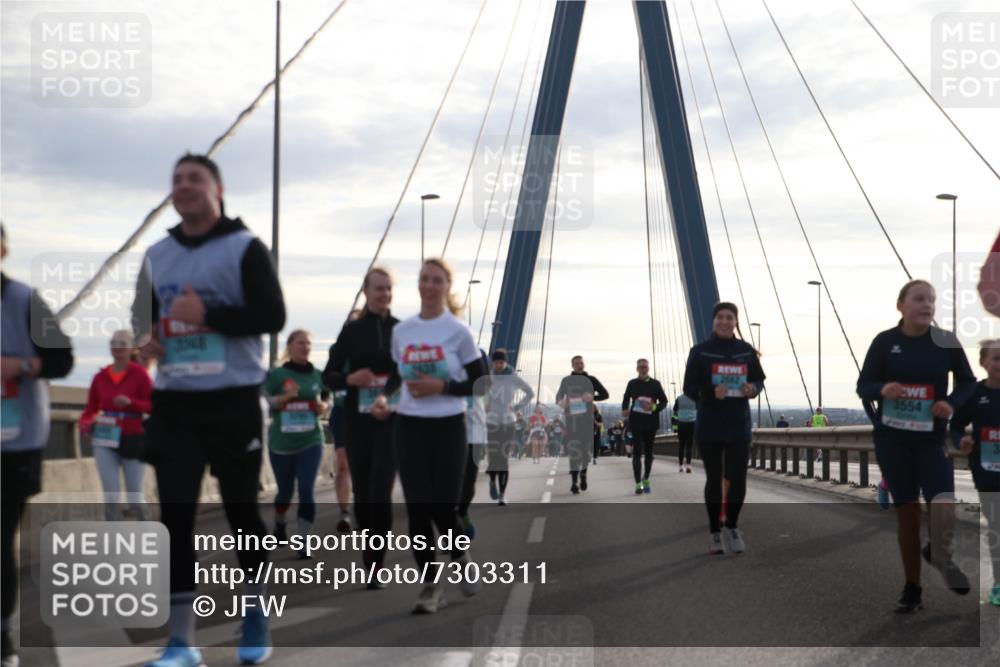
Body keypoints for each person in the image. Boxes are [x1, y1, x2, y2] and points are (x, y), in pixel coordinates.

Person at [133, 154, 286, 666]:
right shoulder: (156, 254)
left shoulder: (245, 247)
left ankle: (255, 617)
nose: (184, 185)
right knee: (175, 517)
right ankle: (182, 642)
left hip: (233, 399)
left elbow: (273, 315)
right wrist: (149, 341)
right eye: (176, 179)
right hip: (175, 401)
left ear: (218, 190)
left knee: (242, 511)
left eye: (194, 178)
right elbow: (147, 324)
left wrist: (210, 313)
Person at [370, 258, 487, 614]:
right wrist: (384, 397)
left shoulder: (458, 332)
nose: (430, 285)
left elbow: (480, 383)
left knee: (443, 507)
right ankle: (431, 585)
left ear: (447, 287)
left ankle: (459, 556)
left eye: (437, 280)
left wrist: (443, 386)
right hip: (409, 426)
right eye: (424, 279)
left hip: (449, 426)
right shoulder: (403, 331)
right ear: (418, 284)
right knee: (418, 509)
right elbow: (397, 373)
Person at [856, 279, 976, 613]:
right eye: (919, 299)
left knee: (944, 502)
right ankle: (912, 587)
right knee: (907, 514)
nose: (927, 305)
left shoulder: (945, 342)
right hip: (893, 441)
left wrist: (951, 403)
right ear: (901, 305)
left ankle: (939, 553)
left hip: (930, 439)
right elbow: (863, 385)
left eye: (931, 300)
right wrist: (882, 389)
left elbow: (967, 381)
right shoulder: (884, 342)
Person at [1, 223, 74, 667]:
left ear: (3, 249)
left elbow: (62, 359)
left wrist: (21, 365)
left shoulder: (25, 301)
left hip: (14, 445)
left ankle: (3, 640)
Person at [322, 267, 399, 585]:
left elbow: (406, 373)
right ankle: (368, 539)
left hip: (390, 420)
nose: (384, 294)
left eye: (389, 288)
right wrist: (350, 379)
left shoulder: (401, 330)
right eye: (379, 288)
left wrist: (386, 394)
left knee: (382, 491)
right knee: (364, 495)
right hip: (358, 421)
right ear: (366, 292)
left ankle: (376, 564)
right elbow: (328, 375)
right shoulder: (352, 331)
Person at [682, 302, 764, 556]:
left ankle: (732, 526)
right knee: (714, 479)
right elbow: (689, 387)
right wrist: (709, 393)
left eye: (729, 317)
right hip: (710, 424)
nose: (725, 321)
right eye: (720, 317)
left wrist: (753, 389)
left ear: (736, 322)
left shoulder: (746, 351)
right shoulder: (700, 351)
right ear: (713, 321)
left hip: (739, 424)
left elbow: (759, 379)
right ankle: (715, 532)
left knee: (738, 479)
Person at [263, 330, 328, 558]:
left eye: (308, 343)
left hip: (311, 439)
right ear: (290, 346)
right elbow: (263, 401)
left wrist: (324, 406)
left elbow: (327, 396)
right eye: (300, 343)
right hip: (282, 442)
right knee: (285, 492)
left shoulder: (318, 375)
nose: (305, 347)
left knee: (306, 489)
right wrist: (282, 399)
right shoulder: (277, 375)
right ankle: (280, 523)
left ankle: (304, 540)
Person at [79, 330, 152, 521]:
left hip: (134, 437)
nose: (117, 347)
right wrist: (85, 422)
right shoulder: (100, 376)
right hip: (105, 437)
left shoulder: (140, 374)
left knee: (135, 498)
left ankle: (147, 530)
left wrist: (131, 403)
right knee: (110, 496)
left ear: (132, 348)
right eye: (113, 343)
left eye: (122, 343)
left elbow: (154, 405)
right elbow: (91, 408)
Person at [951, 339, 1000, 607]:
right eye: (996, 358)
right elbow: (956, 425)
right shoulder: (974, 394)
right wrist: (961, 440)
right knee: (996, 526)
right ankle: (999, 584)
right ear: (983, 363)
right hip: (987, 471)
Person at [556, 355, 609, 494]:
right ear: (572, 366)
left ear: (584, 364)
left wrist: (593, 397)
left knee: (586, 452)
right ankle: (574, 482)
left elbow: (605, 394)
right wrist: (561, 402)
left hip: (587, 420)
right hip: (572, 420)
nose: (580, 365)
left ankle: (583, 474)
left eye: (581, 363)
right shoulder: (566, 380)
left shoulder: (592, 380)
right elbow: (558, 397)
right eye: (577, 363)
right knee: (574, 451)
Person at [484, 349, 533, 499]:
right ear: (492, 363)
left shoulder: (513, 378)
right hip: (491, 421)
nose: (499, 365)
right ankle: (492, 482)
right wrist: (484, 405)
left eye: (501, 362)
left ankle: (502, 494)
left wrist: (517, 407)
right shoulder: (487, 377)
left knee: (503, 457)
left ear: (506, 363)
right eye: (496, 362)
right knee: (494, 455)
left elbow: (530, 393)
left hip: (508, 422)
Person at [622, 358, 668, 493]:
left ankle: (646, 478)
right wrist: (624, 408)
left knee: (648, 453)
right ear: (637, 369)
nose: (643, 369)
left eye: (645, 367)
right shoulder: (632, 383)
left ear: (648, 368)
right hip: (636, 421)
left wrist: (653, 407)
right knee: (637, 452)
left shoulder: (655, 384)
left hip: (650, 422)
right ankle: (638, 483)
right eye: (641, 367)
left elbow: (664, 401)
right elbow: (626, 397)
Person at [459, 350, 490, 534]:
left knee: (468, 483)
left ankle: (462, 513)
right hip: (447, 432)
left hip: (474, 432)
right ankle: (450, 529)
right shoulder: (439, 350)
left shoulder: (478, 353)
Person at [674, 392, 697, 473]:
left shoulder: (679, 398)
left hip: (681, 423)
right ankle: (688, 465)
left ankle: (681, 466)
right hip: (692, 423)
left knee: (681, 445)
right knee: (689, 445)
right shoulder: (695, 398)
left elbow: (675, 410)